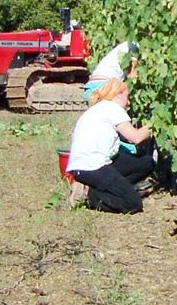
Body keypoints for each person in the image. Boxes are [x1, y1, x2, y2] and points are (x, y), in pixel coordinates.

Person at [66, 77, 154, 212]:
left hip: (85, 165)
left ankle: (116, 189)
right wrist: (156, 124)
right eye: (127, 97)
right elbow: (135, 138)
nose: (128, 102)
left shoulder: (100, 108)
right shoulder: (112, 108)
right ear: (118, 95)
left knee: (146, 162)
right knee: (133, 204)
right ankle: (87, 195)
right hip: (92, 167)